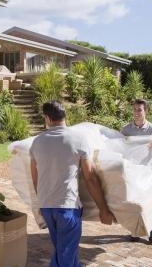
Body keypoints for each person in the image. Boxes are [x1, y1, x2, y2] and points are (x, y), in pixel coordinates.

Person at [30, 100, 115, 267]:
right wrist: (103, 209)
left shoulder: (37, 142)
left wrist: (41, 204)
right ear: (64, 116)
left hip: (47, 207)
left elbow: (35, 179)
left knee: (64, 251)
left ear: (47, 118)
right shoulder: (79, 139)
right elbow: (90, 178)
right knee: (66, 256)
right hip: (67, 207)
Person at [121, 99, 152, 244]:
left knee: (148, 200)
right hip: (131, 170)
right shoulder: (126, 130)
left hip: (147, 170)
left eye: (140, 110)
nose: (137, 113)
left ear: (145, 111)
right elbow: (121, 148)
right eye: (135, 109)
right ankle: (135, 230)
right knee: (134, 201)